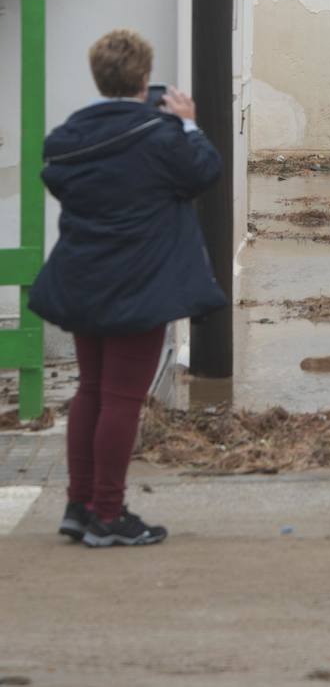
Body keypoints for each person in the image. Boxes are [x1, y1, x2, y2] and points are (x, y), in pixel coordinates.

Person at [29, 28, 226, 548]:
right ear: (145, 78)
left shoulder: (71, 136)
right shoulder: (162, 136)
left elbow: (63, 183)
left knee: (89, 392)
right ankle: (109, 515)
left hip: (82, 278)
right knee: (121, 399)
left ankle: (79, 505)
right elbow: (204, 172)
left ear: (100, 77)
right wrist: (187, 126)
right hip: (138, 284)